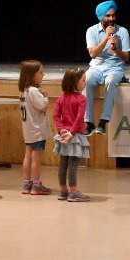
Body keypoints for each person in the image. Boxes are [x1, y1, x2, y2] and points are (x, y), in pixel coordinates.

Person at [84, 0, 130, 136]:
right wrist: (105, 38)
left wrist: (115, 48)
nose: (111, 18)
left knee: (111, 81)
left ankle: (103, 121)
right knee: (86, 80)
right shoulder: (91, 31)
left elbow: (126, 57)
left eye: (113, 15)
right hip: (96, 67)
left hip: (115, 67)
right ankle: (89, 122)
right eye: (108, 16)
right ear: (101, 17)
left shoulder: (123, 31)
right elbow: (92, 54)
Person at [53, 67, 91, 202]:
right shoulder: (81, 99)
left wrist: (62, 129)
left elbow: (56, 116)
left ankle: (63, 191)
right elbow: (79, 118)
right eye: (83, 80)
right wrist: (71, 133)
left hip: (64, 135)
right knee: (73, 165)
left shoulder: (61, 97)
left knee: (63, 164)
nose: (85, 83)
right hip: (74, 136)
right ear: (75, 81)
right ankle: (73, 192)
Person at [18, 60, 52, 195]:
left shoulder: (23, 91)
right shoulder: (33, 91)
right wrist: (46, 97)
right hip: (36, 129)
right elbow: (43, 106)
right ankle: (36, 184)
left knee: (28, 156)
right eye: (41, 72)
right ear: (32, 75)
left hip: (28, 129)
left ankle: (27, 183)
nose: (43, 75)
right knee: (36, 157)